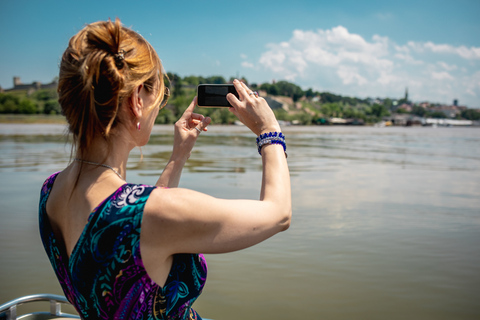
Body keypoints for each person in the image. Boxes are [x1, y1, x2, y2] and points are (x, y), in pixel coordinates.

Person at [39, 18, 291, 320]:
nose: (159, 107)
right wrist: (269, 131)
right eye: (160, 97)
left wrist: (178, 157)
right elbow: (278, 214)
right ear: (136, 101)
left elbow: (141, 235)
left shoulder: (51, 191)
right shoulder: (153, 214)